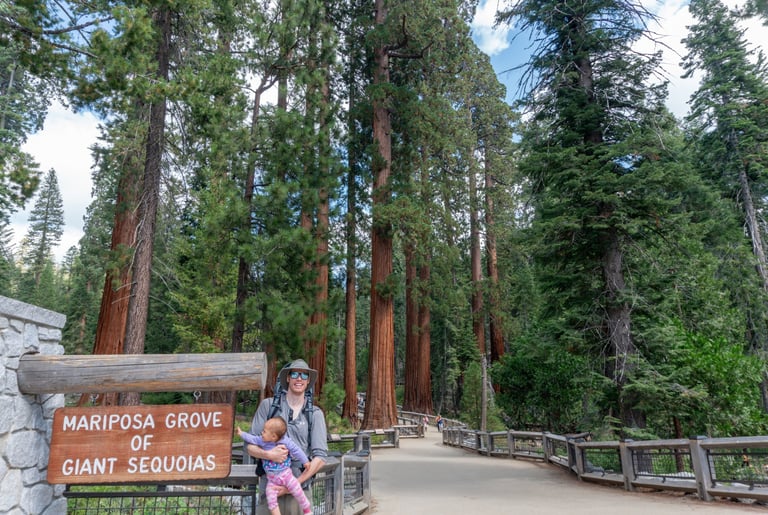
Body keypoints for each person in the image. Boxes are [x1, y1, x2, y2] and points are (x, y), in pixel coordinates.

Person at [246, 359, 328, 515]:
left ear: (308, 381)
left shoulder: (315, 414)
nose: (299, 378)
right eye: (295, 374)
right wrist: (268, 454)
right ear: (288, 378)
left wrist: (292, 485)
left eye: (304, 375)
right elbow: (249, 446)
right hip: (269, 492)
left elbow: (320, 457)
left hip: (299, 493)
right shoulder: (268, 406)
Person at [238, 417, 312, 515]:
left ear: (273, 436)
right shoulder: (262, 440)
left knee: (297, 490)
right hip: (272, 480)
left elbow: (296, 450)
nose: (262, 433)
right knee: (270, 497)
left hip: (286, 475)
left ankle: (307, 509)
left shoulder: (286, 442)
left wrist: (305, 461)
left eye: (264, 431)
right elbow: (252, 439)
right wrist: (241, 433)